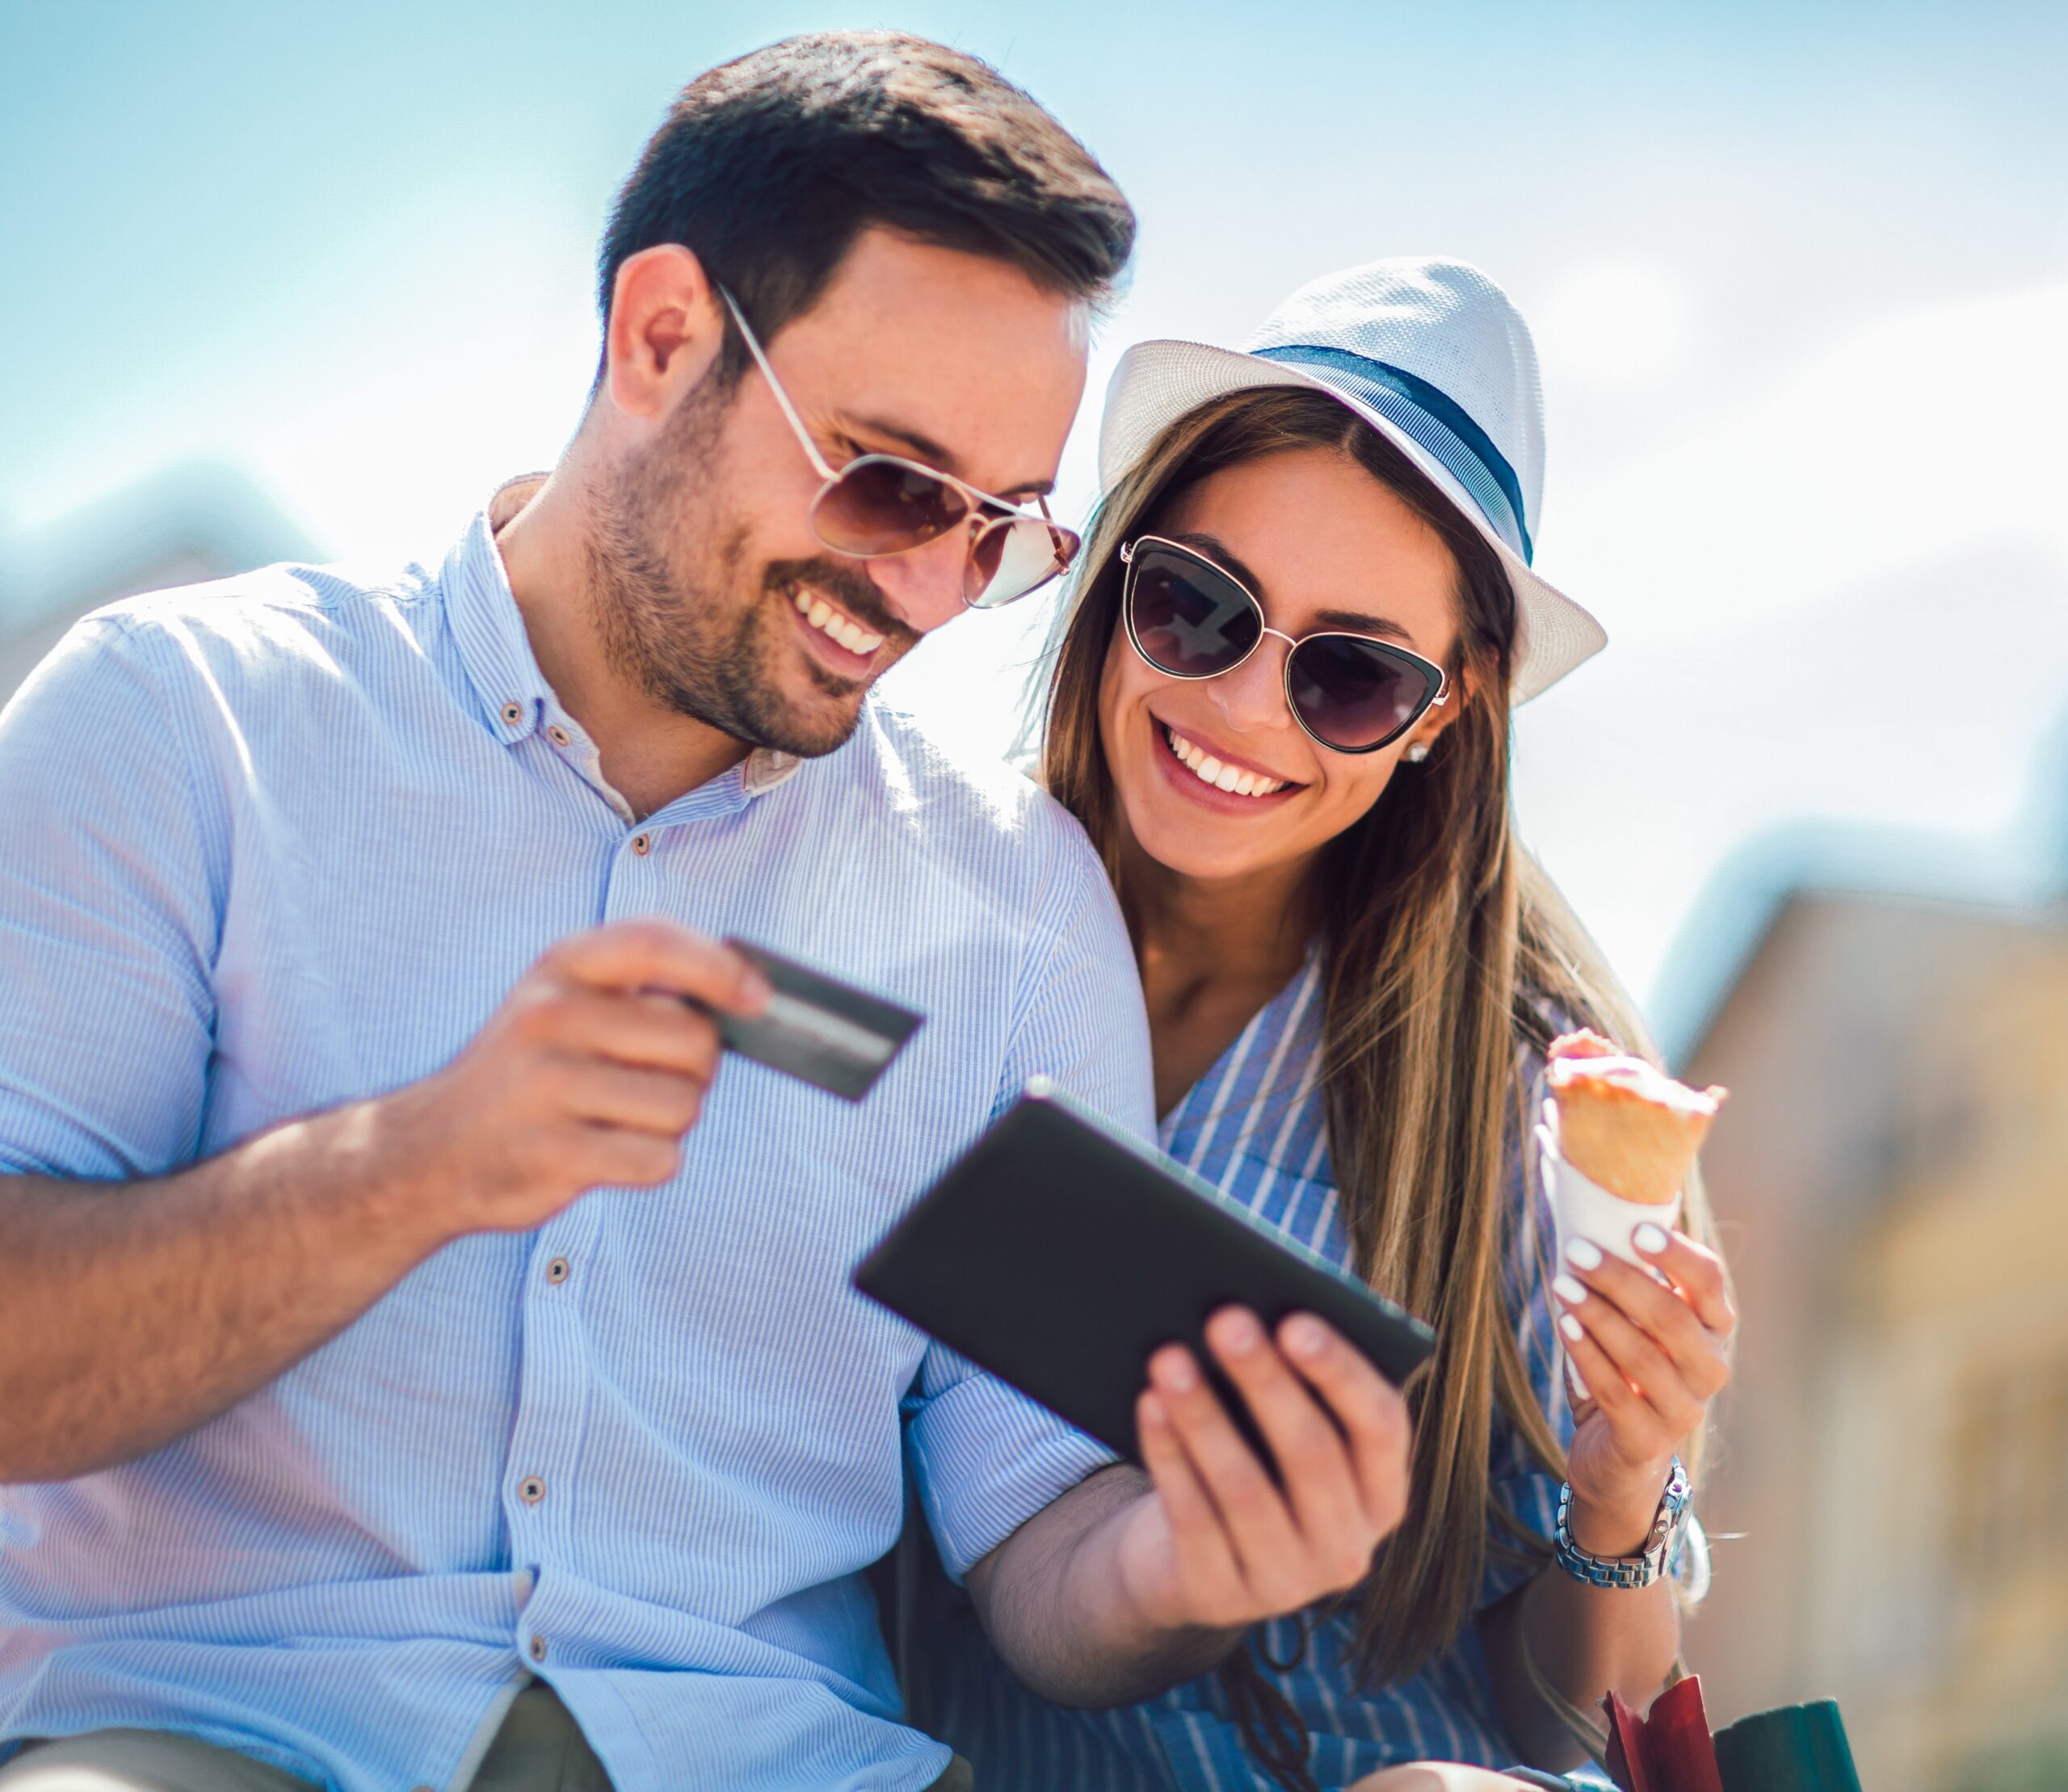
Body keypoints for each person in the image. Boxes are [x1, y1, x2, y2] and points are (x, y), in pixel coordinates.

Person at [0, 37, 1419, 1792]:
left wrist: (1189, 1566)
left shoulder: (1013, 904)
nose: (923, 590)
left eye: (993, 534)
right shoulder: (180, 719)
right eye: (892, 480)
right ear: (659, 333)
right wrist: (419, 1162)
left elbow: (1037, 1537)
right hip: (221, 1737)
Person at [912, 259, 1736, 1790]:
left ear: (1449, 709)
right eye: (1199, 604)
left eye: (1353, 673)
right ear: (1115, 577)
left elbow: (1579, 1719)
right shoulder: (919, 938)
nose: (1245, 708)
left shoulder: (1523, 1092)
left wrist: (1623, 1483)